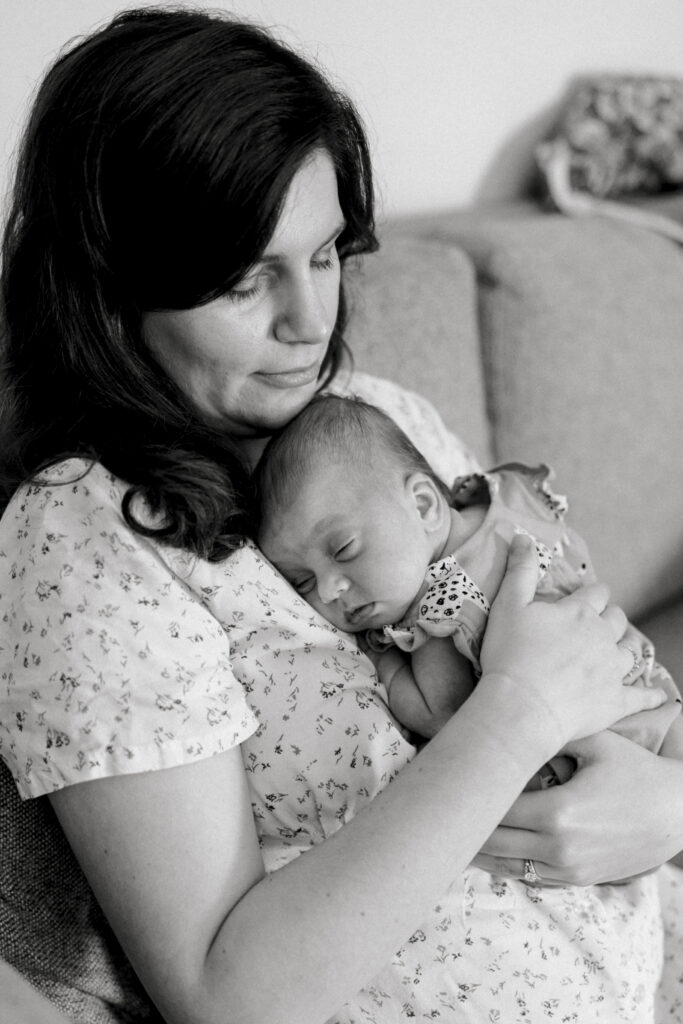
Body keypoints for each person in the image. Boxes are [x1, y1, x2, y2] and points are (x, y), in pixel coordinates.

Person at [0, 8, 680, 1024]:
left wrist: (667, 804)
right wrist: (515, 718)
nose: (310, 325)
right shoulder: (80, 543)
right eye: (245, 279)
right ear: (110, 292)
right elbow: (228, 996)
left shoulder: (376, 418)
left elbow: (576, 639)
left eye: (323, 257)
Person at [256, 393, 683, 761]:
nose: (329, 590)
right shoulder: (504, 501)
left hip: (606, 748)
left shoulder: (442, 607)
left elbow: (437, 714)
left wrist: (379, 654)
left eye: (343, 549)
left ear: (423, 506)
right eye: (303, 583)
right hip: (652, 688)